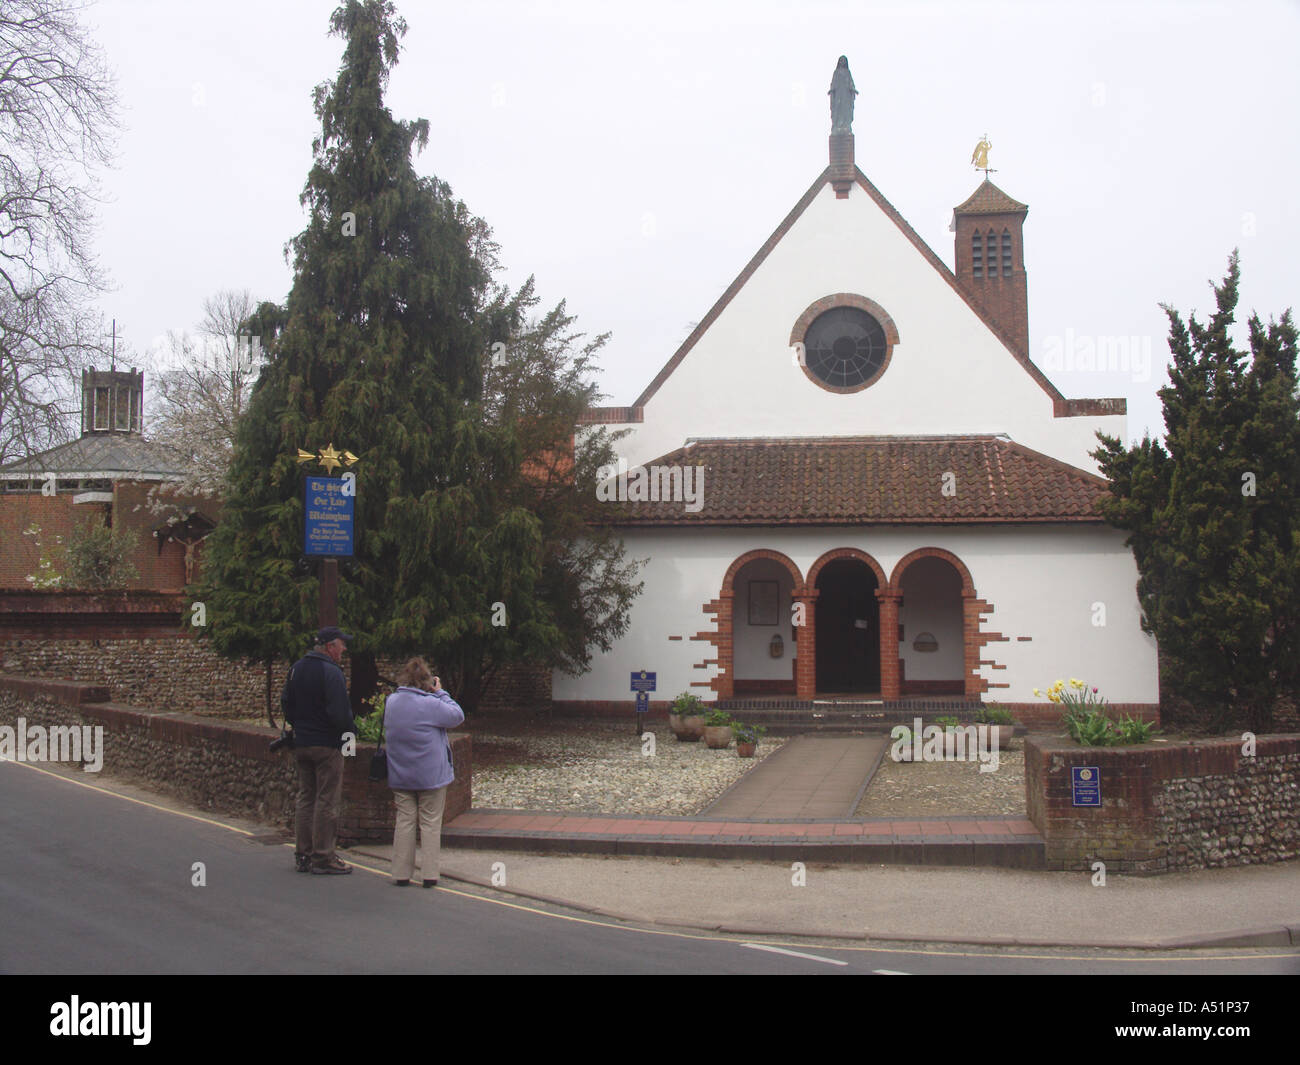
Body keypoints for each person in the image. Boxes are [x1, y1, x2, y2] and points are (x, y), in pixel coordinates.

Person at [281, 626, 357, 875]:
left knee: (306, 798)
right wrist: (350, 734)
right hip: (326, 744)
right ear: (329, 646)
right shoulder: (331, 672)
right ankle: (323, 857)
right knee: (326, 800)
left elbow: (286, 704)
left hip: (302, 742)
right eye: (341, 644)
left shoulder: (296, 668)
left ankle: (303, 853)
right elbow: (340, 713)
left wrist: (300, 726)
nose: (344, 649)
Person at [383, 657, 464, 888]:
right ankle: (429, 874)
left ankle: (400, 873)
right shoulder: (431, 704)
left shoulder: (392, 702)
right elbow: (457, 715)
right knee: (430, 823)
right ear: (426, 681)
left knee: (405, 821)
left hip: (400, 773)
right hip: (431, 775)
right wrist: (440, 692)